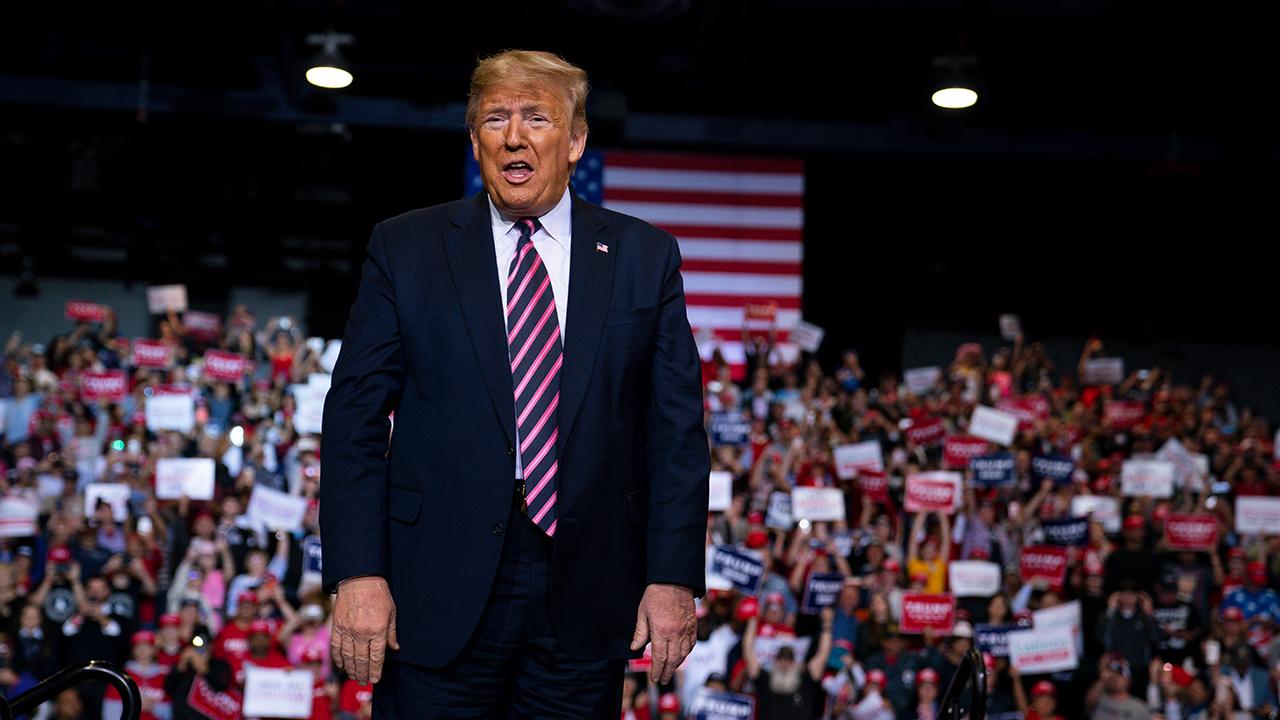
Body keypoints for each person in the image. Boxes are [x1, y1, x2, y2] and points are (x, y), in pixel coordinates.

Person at [319, 48, 710, 717]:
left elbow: (675, 433)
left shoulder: (645, 257)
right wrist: (357, 573)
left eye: (537, 116)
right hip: (433, 589)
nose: (514, 135)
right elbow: (352, 421)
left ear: (576, 139)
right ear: (475, 141)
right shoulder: (406, 249)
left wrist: (672, 577)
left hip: (586, 593)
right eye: (495, 118)